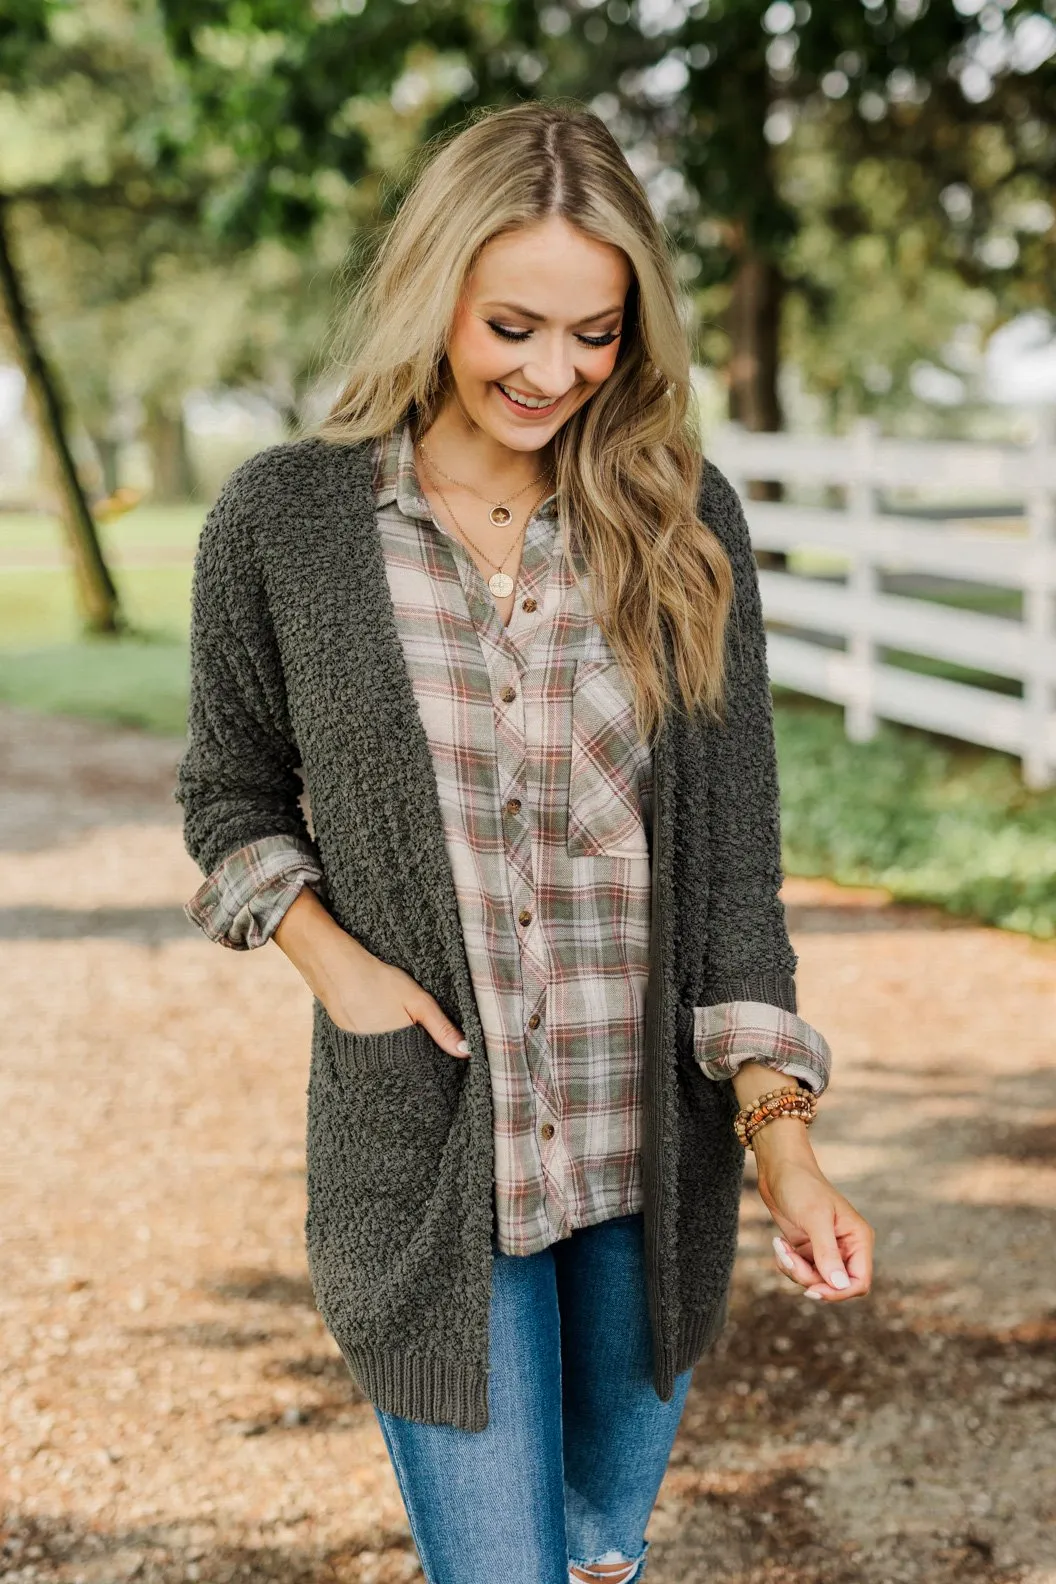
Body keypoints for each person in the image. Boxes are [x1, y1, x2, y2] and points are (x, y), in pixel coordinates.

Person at [176, 99, 873, 1584]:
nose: (554, 372)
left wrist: (785, 1149)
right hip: (430, 1158)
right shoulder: (287, 523)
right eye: (514, 325)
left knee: (598, 1557)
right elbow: (227, 797)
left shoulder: (684, 521)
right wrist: (338, 967)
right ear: (437, 292)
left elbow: (735, 873)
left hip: (650, 1172)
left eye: (597, 336)